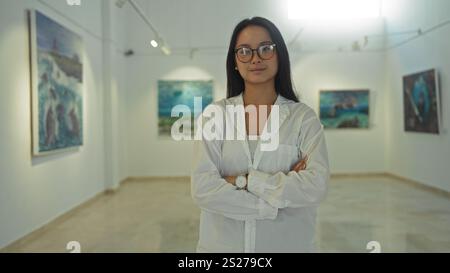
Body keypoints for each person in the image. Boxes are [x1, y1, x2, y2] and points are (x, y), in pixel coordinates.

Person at [191, 16, 330, 253]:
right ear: (235, 61)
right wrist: (272, 202)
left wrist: (243, 180)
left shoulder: (303, 118)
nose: (255, 58)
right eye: (244, 51)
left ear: (280, 55)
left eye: (265, 49)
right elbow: (203, 189)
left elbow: (315, 186)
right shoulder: (215, 116)